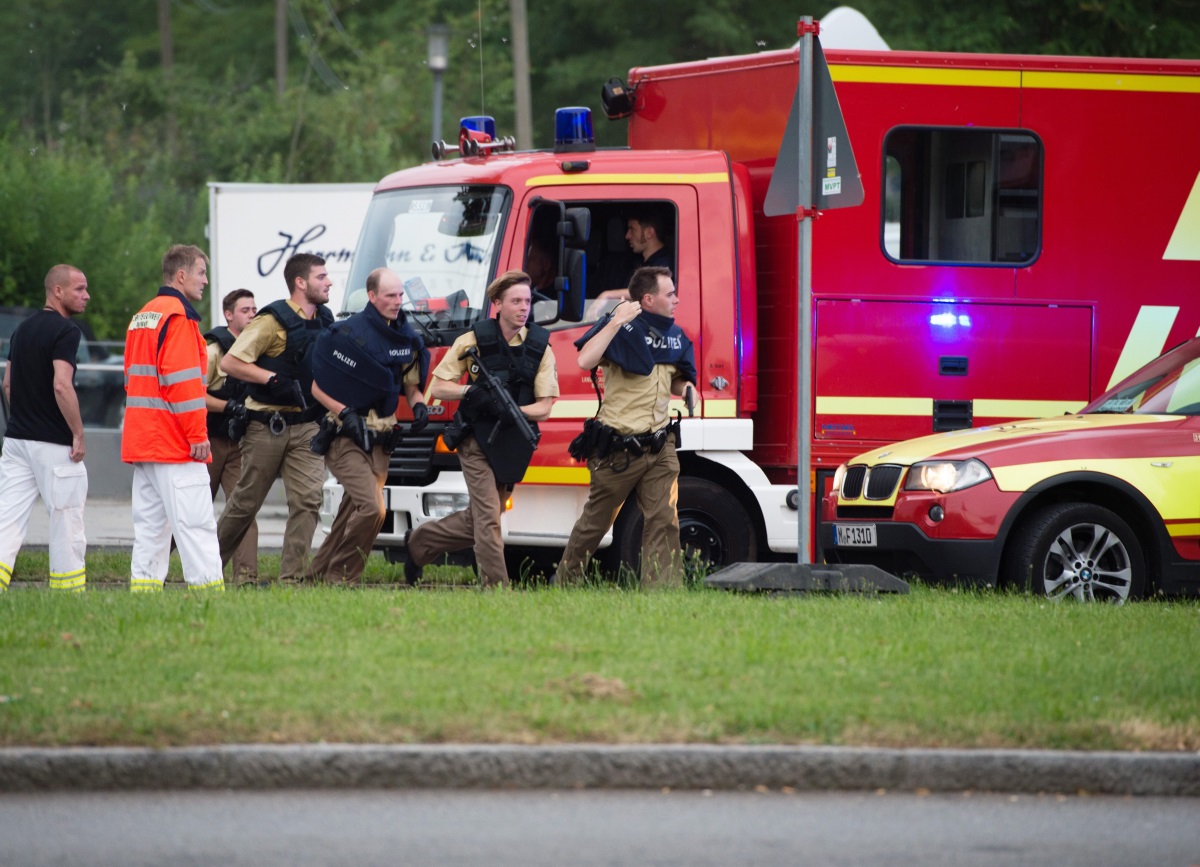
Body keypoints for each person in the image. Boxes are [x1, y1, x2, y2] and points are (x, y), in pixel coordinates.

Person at [404, 270, 559, 589]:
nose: (523, 308)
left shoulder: (540, 346)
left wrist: (513, 411)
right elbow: (438, 386)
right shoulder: (473, 340)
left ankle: (419, 542)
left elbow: (545, 406)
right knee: (488, 517)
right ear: (497, 304)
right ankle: (496, 589)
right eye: (516, 301)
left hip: (512, 441)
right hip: (475, 440)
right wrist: (470, 392)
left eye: (528, 301)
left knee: (482, 518)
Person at [557, 265, 697, 589]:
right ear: (648, 299)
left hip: (660, 445)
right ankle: (566, 583)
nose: (677, 299)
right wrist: (616, 320)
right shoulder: (621, 331)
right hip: (619, 449)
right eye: (670, 293)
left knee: (664, 520)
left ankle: (661, 593)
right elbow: (584, 360)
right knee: (595, 524)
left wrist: (686, 388)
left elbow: (675, 379)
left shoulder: (673, 336)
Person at [305, 268, 430, 585]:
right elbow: (317, 387)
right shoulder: (347, 334)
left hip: (381, 439)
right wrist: (343, 412)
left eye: (401, 295)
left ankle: (316, 575)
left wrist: (419, 408)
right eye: (390, 295)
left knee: (352, 511)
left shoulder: (405, 338)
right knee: (374, 509)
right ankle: (342, 577)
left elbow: (411, 386)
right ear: (372, 296)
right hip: (345, 435)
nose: (397, 301)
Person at [215, 253, 333, 583]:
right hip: (266, 425)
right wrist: (271, 379)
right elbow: (231, 364)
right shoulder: (271, 320)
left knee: (308, 502)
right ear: (301, 282)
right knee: (245, 504)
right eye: (321, 277)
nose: (329, 282)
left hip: (307, 425)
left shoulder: (325, 320)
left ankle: (290, 582)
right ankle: (206, 571)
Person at [122, 245, 224, 592]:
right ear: (181, 276)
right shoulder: (179, 318)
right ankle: (209, 597)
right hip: (174, 443)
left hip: (144, 441)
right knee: (196, 526)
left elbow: (131, 378)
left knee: (151, 530)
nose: (205, 281)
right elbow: (183, 386)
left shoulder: (143, 316)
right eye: (201, 273)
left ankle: (144, 595)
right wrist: (197, 436)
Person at [0, 265, 91, 593]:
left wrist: (23, 418)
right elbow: (62, 386)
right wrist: (78, 433)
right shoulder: (66, 331)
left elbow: (8, 384)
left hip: (16, 441)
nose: (86, 296)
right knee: (66, 519)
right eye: (79, 289)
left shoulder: (21, 330)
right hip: (54, 445)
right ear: (57, 291)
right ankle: (68, 593)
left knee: (7, 520)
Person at [204, 288, 258, 583]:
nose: (252, 315)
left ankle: (246, 578)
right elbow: (195, 397)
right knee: (194, 513)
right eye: (245, 310)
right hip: (208, 443)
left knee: (243, 508)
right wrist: (229, 406)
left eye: (254, 310)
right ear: (228, 315)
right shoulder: (213, 350)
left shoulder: (256, 349)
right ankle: (153, 570)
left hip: (239, 445)